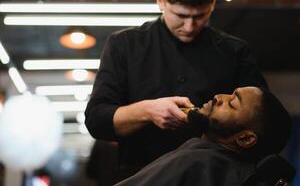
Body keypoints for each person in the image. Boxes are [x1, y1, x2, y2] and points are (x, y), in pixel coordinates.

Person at [85, 0, 268, 181]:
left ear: (213, 3)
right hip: (143, 174)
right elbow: (97, 120)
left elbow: (262, 119)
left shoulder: (235, 52)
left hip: (214, 176)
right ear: (160, 1)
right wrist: (147, 111)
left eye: (200, 16)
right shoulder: (124, 45)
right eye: (180, 15)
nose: (189, 27)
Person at [114, 86, 293, 186]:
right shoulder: (221, 168)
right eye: (230, 93)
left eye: (231, 103)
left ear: (245, 139)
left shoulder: (200, 164)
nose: (218, 97)